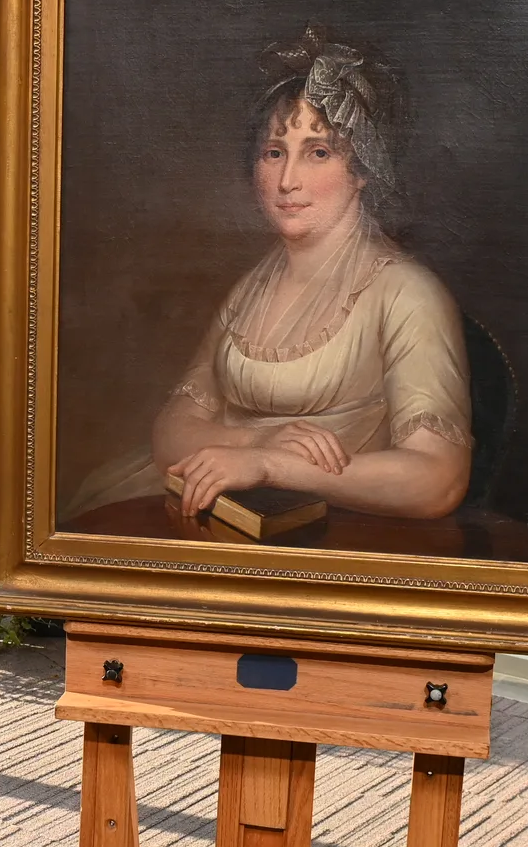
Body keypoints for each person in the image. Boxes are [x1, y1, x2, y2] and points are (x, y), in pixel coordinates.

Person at [65, 27, 473, 525]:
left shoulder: (407, 294)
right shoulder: (251, 289)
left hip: (324, 528)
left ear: (363, 170)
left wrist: (270, 466)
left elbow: (438, 479)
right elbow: (170, 432)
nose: (287, 181)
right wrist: (256, 439)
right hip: (211, 505)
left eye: (318, 153)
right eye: (274, 152)